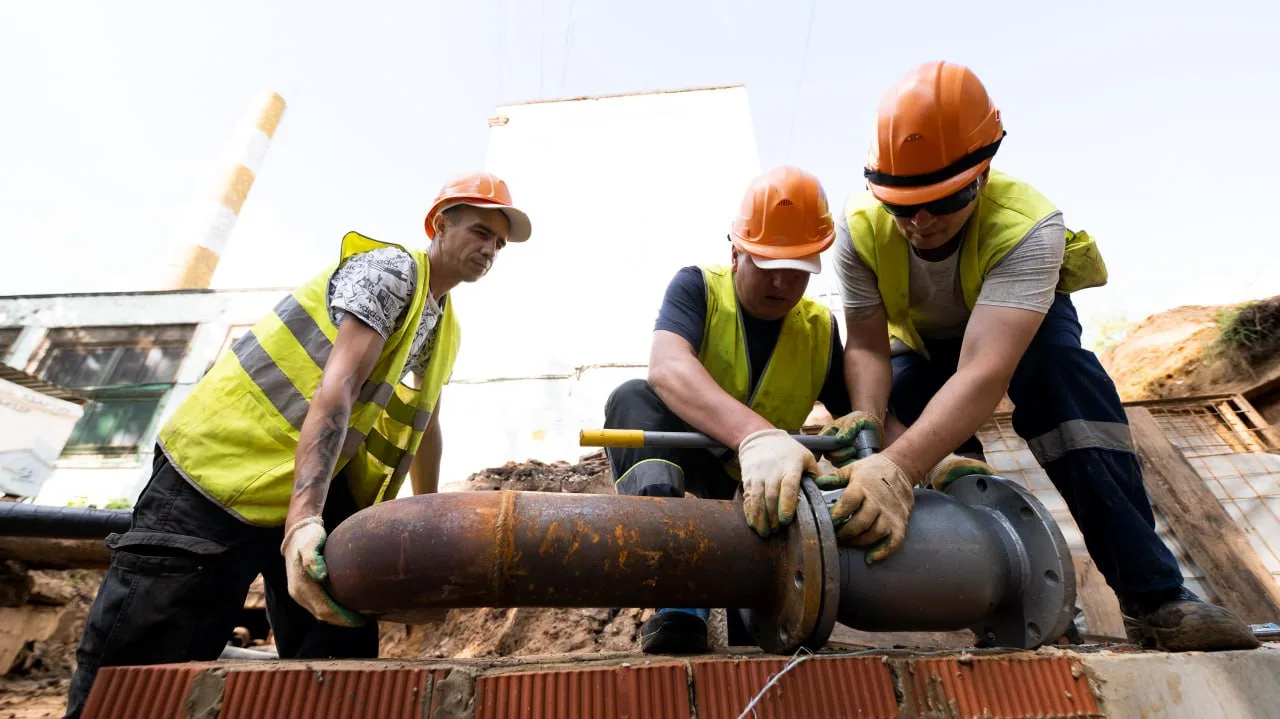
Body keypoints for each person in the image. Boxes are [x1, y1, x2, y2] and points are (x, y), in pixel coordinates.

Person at [820, 60, 1258, 652]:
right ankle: (996, 594)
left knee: (1071, 397)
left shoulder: (1029, 227)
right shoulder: (857, 225)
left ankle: (1155, 598)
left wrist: (897, 468)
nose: (920, 222)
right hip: (919, 343)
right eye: (902, 205)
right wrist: (872, 424)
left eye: (944, 200)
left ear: (983, 170)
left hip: (1017, 330)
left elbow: (984, 370)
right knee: (909, 423)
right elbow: (868, 343)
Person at [65, 172, 534, 717]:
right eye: (480, 231)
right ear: (439, 224)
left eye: (499, 242)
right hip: (216, 476)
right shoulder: (390, 272)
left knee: (339, 667)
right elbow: (338, 387)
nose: (490, 249)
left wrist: (426, 521)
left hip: (314, 483)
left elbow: (426, 423)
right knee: (141, 669)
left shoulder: (446, 326)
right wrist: (304, 520)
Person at [602, 165, 853, 654]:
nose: (782, 281)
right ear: (737, 250)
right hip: (691, 466)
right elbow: (668, 368)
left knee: (756, 647)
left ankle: (756, 605)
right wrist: (757, 436)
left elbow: (854, 426)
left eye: (798, 267)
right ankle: (674, 588)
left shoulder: (819, 329)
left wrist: (916, 465)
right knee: (632, 399)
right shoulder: (698, 286)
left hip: (764, 488)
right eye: (768, 264)